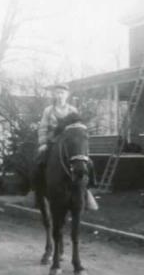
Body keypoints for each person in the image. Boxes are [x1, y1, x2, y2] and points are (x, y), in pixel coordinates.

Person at [35, 83, 98, 211]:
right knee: (39, 161)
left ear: (67, 95)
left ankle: (87, 191)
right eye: (57, 93)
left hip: (69, 142)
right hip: (53, 140)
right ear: (54, 95)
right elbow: (43, 127)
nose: (59, 96)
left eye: (62, 93)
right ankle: (39, 191)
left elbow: (78, 127)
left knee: (87, 162)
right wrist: (43, 143)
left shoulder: (72, 110)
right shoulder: (48, 110)